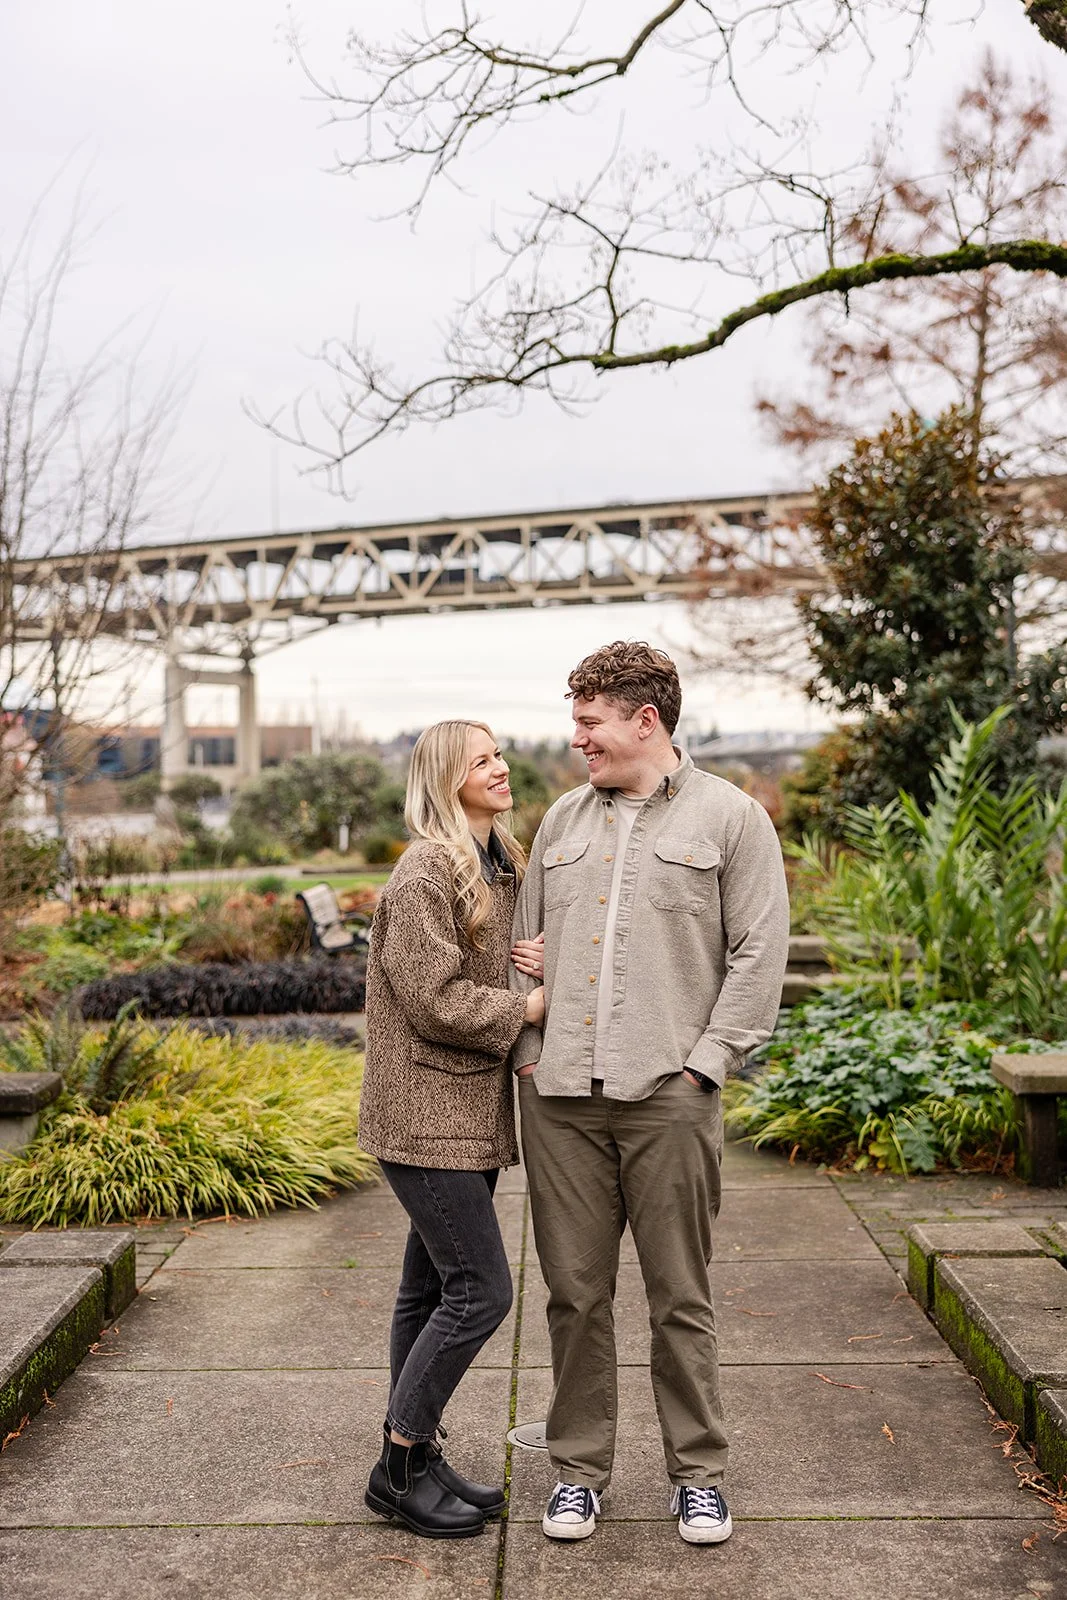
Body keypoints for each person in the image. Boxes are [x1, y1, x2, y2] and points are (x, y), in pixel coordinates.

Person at [509, 641, 789, 1546]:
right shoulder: (560, 821)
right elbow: (524, 945)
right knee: (573, 1296)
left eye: (590, 721)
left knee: (680, 1295)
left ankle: (697, 1475)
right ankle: (578, 1475)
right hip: (558, 1100)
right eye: (577, 719)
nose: (577, 738)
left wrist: (706, 1063)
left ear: (645, 720)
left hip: (670, 1093)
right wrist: (525, 1054)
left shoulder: (733, 819)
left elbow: (758, 954)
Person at [358, 719, 545, 1539]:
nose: (501, 768)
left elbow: (502, 956)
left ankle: (420, 1456)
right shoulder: (425, 873)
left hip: (466, 1108)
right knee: (481, 1291)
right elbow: (433, 998)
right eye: (482, 760)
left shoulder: (501, 859)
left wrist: (534, 961)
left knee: (428, 1289)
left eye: (499, 754)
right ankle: (398, 1464)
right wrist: (529, 1005)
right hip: (424, 1114)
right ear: (445, 778)